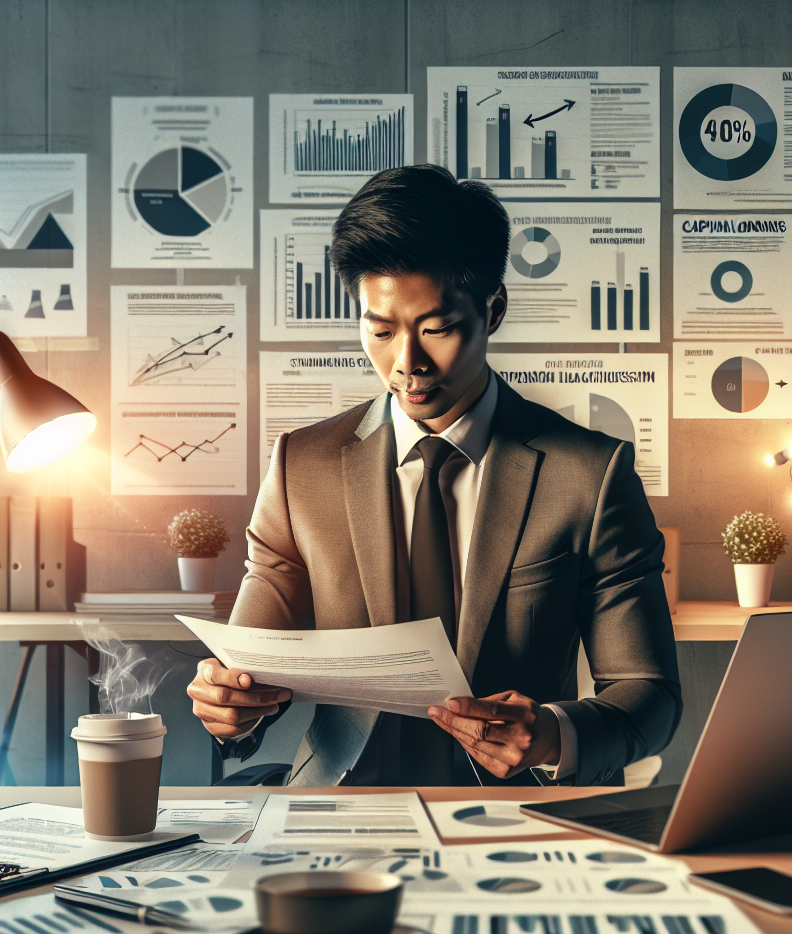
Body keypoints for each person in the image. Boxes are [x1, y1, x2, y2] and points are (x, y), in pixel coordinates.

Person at [187, 164, 680, 787]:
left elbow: (651, 693)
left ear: (493, 310)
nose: (407, 363)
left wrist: (554, 734)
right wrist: (228, 703)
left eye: (437, 329)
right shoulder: (300, 467)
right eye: (380, 330)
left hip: (516, 817)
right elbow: (250, 663)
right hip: (342, 807)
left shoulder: (590, 474)